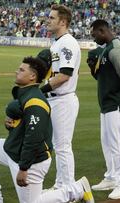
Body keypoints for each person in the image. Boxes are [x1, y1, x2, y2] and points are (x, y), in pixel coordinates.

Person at [0, 56, 94, 203]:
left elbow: (34, 137)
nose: (16, 71)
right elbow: (23, 124)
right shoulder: (25, 94)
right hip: (14, 150)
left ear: (32, 76)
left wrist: (24, 168)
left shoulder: (35, 101)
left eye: (21, 70)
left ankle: (77, 190)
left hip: (33, 160)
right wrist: (11, 124)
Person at [87, 19, 120, 200]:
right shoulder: (107, 48)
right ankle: (112, 177)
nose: (93, 38)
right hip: (108, 103)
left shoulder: (114, 48)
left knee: (116, 143)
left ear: (102, 31)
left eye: (94, 34)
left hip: (117, 102)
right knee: (107, 142)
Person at [40, 4, 81, 188]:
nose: (47, 20)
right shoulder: (57, 42)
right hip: (54, 98)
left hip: (63, 99)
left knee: (63, 146)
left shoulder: (67, 42)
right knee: (58, 145)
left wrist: (40, 89)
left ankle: (68, 188)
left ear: (63, 22)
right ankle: (60, 184)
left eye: (52, 18)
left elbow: (65, 75)